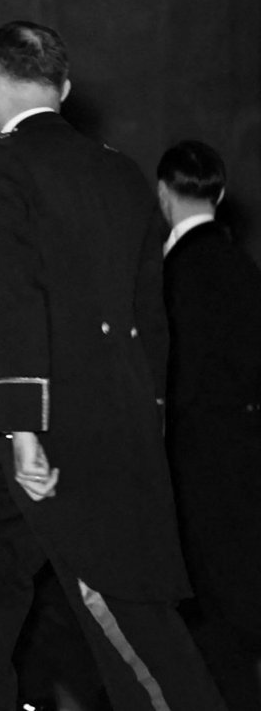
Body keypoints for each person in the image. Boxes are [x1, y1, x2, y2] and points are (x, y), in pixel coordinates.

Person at [0, 20, 227, 711]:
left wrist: (24, 423)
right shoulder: (120, 170)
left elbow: (13, 299)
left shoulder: (0, 165)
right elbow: (153, 316)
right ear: (62, 87)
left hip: (56, 426)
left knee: (119, 607)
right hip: (117, 410)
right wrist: (144, 417)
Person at [157, 140, 261, 711]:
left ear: (162, 193)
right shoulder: (245, 270)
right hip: (243, 456)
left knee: (199, 612)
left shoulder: (167, 276)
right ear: (219, 194)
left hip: (186, 462)